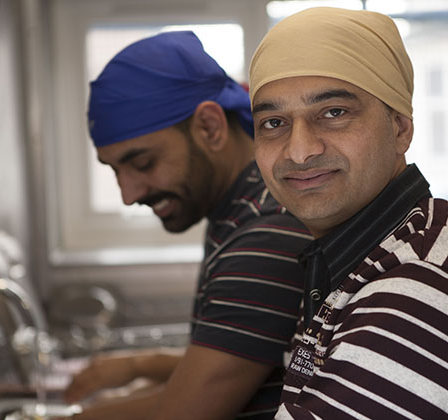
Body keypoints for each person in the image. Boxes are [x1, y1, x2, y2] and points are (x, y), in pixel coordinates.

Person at [248, 7, 448, 419]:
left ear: (400, 128)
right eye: (273, 122)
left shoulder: (421, 292)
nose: (299, 149)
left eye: (334, 112)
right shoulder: (377, 255)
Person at [62, 31, 312, 420]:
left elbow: (183, 413)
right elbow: (238, 357)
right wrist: (138, 366)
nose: (128, 194)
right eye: (114, 170)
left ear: (210, 127)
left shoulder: (265, 234)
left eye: (142, 163)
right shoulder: (240, 211)